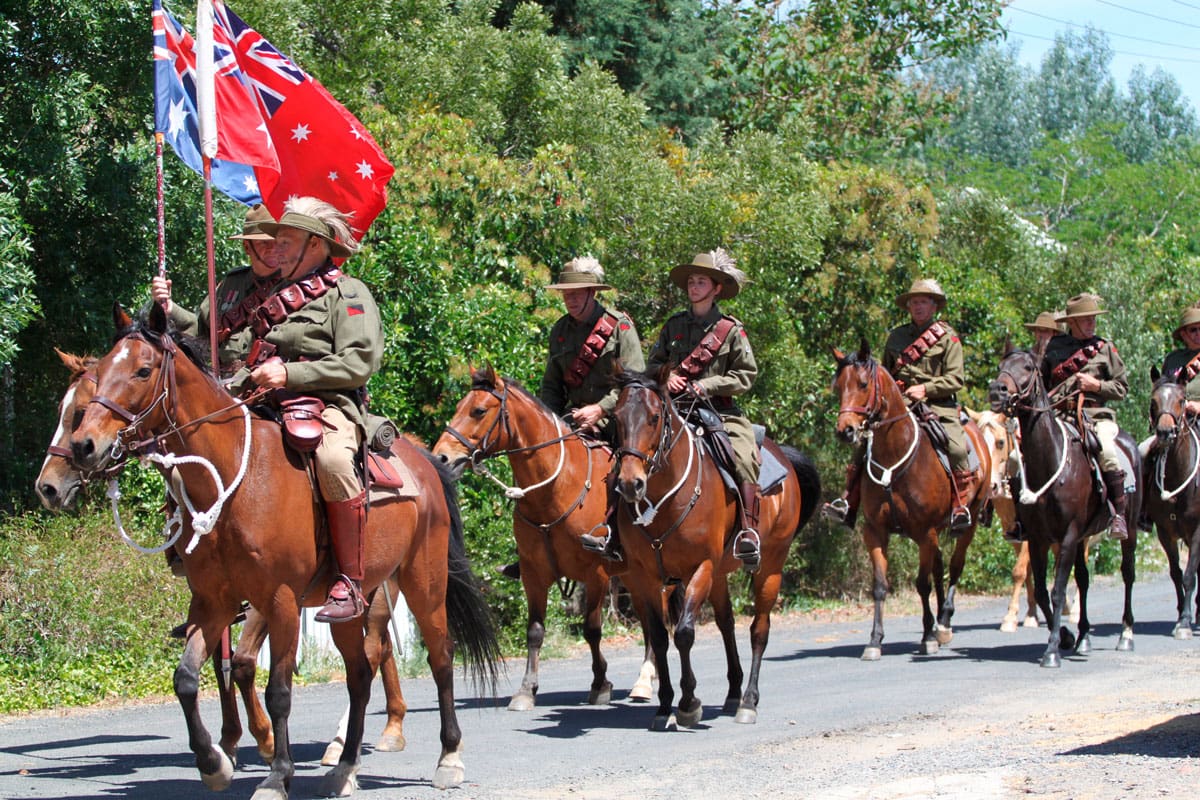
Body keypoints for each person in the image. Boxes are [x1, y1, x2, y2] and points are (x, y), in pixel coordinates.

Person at [233, 196, 384, 622]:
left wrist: (290, 376)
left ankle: (351, 581)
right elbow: (235, 347)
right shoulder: (268, 294)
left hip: (328, 404)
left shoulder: (348, 293)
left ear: (315, 245)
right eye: (277, 240)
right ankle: (223, 574)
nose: (276, 248)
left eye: (287, 240)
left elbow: (358, 362)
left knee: (334, 461)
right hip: (262, 402)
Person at [638, 248, 761, 571]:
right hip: (673, 409)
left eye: (701, 281)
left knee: (745, 456)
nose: (694, 287)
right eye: (691, 281)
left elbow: (746, 375)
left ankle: (747, 531)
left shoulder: (730, 330)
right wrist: (670, 377)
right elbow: (652, 364)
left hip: (719, 412)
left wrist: (707, 385)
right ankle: (620, 530)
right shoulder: (673, 325)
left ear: (716, 288)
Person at [823, 278, 976, 532]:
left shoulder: (948, 338)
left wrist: (926, 389)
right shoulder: (897, 336)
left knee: (958, 447)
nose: (918, 307)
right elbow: (883, 376)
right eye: (914, 302)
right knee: (862, 445)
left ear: (934, 306)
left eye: (923, 302)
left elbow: (956, 379)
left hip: (938, 405)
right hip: (898, 404)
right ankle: (848, 503)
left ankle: (960, 506)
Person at [521, 257, 644, 568]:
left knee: (629, 471)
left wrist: (600, 410)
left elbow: (634, 383)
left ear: (592, 292)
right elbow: (551, 385)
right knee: (534, 469)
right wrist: (552, 422)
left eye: (576, 293)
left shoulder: (619, 328)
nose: (570, 299)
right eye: (565, 294)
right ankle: (531, 551)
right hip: (572, 422)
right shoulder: (559, 331)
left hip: (617, 421)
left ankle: (631, 539)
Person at [151, 203, 280, 373]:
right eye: (263, 242)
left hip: (271, 388)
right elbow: (200, 331)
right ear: (247, 247)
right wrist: (170, 308)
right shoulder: (230, 284)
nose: (272, 248)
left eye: (276, 241)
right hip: (224, 388)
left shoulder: (296, 286)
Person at [1043, 293, 1129, 540]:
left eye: (1093, 318)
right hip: (1059, 416)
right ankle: (1024, 516)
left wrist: (1097, 386)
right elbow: (1042, 383)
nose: (1092, 323)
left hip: (1095, 416)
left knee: (1108, 451)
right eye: (1086, 319)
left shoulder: (1105, 348)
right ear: (1072, 323)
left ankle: (1119, 515)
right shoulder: (1055, 348)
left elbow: (1122, 388)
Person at [1002, 310, 1064, 543]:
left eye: (1048, 331)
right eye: (1039, 331)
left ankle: (1110, 508)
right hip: (1034, 424)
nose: (1043, 336)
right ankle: (1021, 520)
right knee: (1013, 460)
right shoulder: (1025, 360)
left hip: (1067, 415)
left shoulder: (1065, 354)